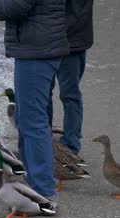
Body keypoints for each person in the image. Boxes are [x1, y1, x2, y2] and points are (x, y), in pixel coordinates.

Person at [0, 0, 70, 200]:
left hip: (37, 50)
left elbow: (16, 6)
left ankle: (41, 189)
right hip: (36, 47)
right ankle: (33, 181)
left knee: (33, 123)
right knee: (25, 120)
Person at [47, 0, 94, 155]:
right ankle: (53, 140)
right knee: (62, 94)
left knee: (66, 94)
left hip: (66, 39)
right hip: (66, 37)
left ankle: (68, 144)